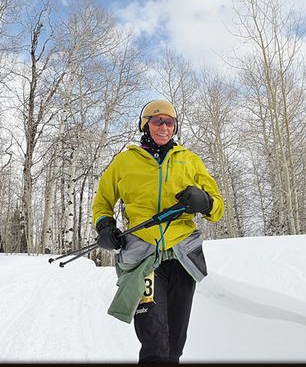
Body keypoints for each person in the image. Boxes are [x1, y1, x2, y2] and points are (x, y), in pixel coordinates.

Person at [92, 99, 224, 363]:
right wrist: (105, 225)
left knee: (174, 344)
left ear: (175, 127)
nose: (164, 127)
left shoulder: (190, 160)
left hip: (183, 258)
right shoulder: (125, 161)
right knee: (154, 342)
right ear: (145, 125)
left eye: (169, 122)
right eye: (157, 121)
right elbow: (102, 201)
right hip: (144, 258)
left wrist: (205, 202)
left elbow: (218, 206)